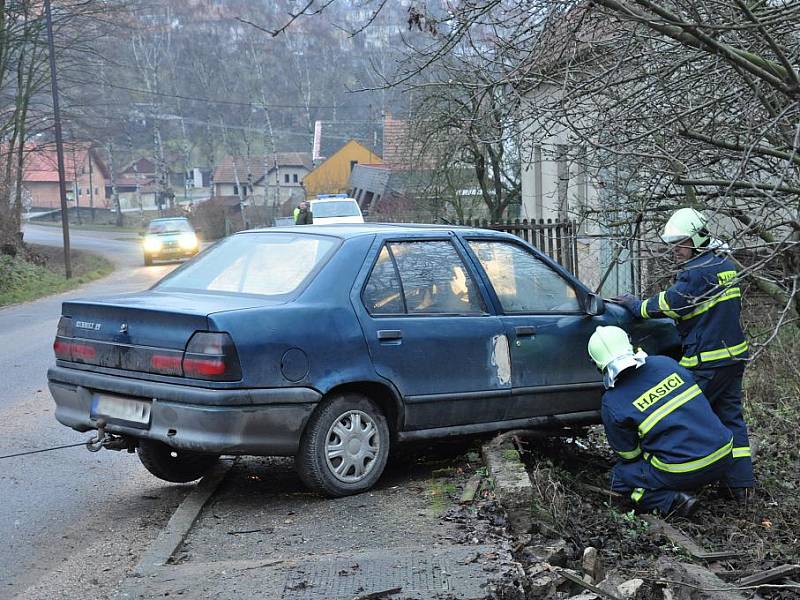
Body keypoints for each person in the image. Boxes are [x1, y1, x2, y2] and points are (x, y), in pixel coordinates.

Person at [614, 208, 754, 500]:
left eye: (681, 243)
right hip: (734, 358)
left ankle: (682, 477)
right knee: (731, 418)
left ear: (698, 239)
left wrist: (635, 305)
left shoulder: (696, 272)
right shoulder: (724, 264)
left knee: (685, 415)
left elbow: (672, 303)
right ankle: (739, 485)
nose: (675, 250)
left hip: (706, 362)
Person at [588, 326, 734, 517]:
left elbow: (629, 456)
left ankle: (672, 501)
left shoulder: (612, 401)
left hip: (684, 469)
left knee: (620, 478)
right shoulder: (666, 364)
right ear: (630, 344)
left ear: (597, 364)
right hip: (724, 452)